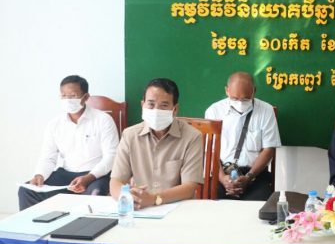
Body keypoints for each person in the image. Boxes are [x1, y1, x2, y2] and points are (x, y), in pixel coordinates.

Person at [18, 75, 119, 210]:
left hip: (95, 175)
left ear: (86, 97)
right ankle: (36, 224)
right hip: (66, 174)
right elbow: (48, 157)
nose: (67, 100)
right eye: (64, 96)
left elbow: (111, 157)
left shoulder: (103, 120)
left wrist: (88, 178)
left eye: (72, 96)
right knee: (27, 190)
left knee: (95, 194)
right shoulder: (55, 124)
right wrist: (39, 174)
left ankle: (85, 224)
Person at [110, 78, 203, 209]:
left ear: (175, 109)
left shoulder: (192, 137)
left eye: (164, 105)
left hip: (178, 207)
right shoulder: (129, 135)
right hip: (140, 208)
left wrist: (154, 199)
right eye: (151, 104)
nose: (156, 110)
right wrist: (128, 197)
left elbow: (190, 187)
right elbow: (116, 181)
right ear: (143, 105)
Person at [205, 72, 281, 201]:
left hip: (254, 175)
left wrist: (249, 177)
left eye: (245, 99)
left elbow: (268, 150)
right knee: (208, 203)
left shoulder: (266, 110)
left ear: (254, 91)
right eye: (235, 99)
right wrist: (223, 178)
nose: (240, 103)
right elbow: (210, 151)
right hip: (222, 173)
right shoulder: (214, 111)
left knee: (260, 206)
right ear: (227, 91)